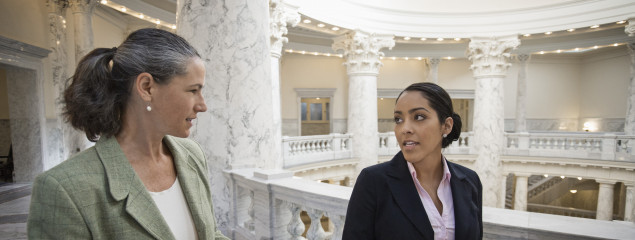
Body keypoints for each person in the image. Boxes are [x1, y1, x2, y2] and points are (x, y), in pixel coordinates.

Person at [27, 28, 229, 240]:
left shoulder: (192, 155)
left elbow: (210, 234)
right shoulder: (64, 189)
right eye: (192, 90)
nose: (202, 105)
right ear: (147, 87)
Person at [343, 82, 482, 240]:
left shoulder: (470, 181)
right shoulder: (373, 181)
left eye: (419, 117)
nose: (404, 128)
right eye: (398, 119)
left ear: (446, 126)